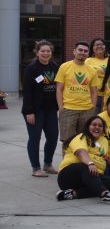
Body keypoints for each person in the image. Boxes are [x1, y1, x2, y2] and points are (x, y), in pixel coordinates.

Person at [56, 116, 110, 205]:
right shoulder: (81, 137)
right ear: (88, 127)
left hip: (89, 178)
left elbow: (102, 157)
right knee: (85, 167)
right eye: (94, 125)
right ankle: (104, 194)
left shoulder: (104, 141)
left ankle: (72, 194)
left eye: (100, 126)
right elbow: (81, 152)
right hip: (68, 176)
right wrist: (90, 163)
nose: (97, 127)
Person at [22, 39, 59, 177]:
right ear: (37, 53)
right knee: (35, 137)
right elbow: (27, 91)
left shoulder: (55, 66)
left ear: (51, 52)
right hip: (35, 111)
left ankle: (48, 164)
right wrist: (29, 111)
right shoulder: (31, 68)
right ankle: (36, 167)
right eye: (42, 51)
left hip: (50, 109)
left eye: (48, 51)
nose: (45, 53)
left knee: (53, 136)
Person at [56, 41, 99, 144]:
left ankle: (81, 161)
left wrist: (92, 108)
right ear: (74, 51)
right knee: (67, 141)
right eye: (80, 50)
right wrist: (61, 108)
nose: (82, 53)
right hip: (68, 109)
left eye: (85, 51)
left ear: (88, 54)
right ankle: (68, 160)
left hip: (87, 110)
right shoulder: (64, 67)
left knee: (85, 140)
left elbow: (94, 91)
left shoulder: (92, 70)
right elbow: (59, 89)